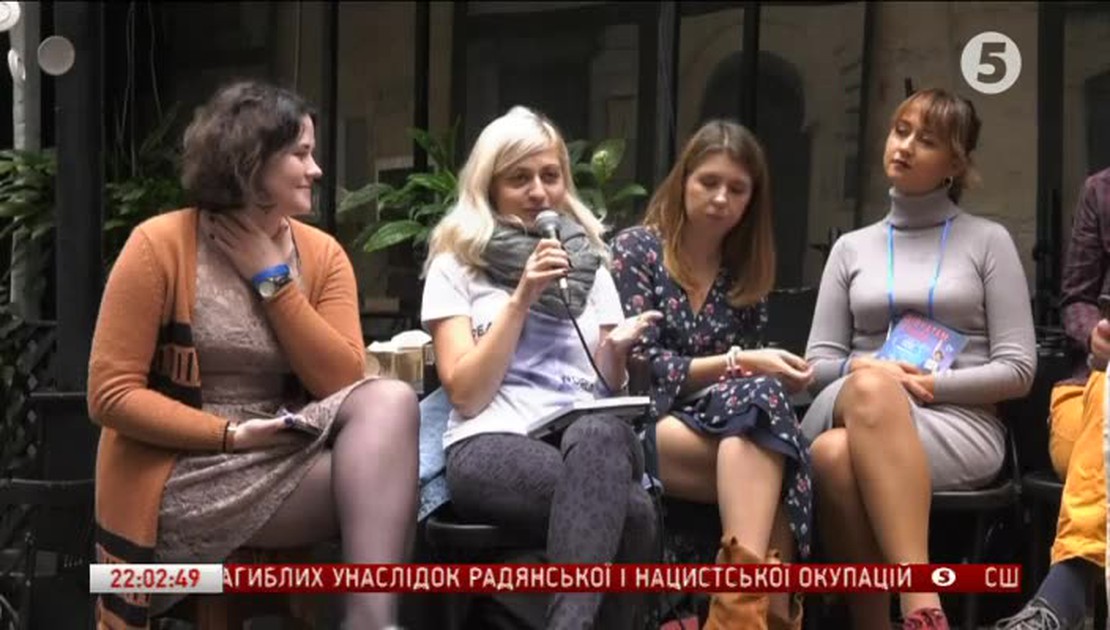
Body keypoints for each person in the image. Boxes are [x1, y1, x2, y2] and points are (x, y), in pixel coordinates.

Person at [87, 80, 419, 630]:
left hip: (283, 456)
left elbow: (343, 381)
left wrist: (274, 281)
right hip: (181, 474)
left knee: (391, 403)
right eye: (301, 154)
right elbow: (110, 396)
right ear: (251, 161)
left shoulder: (323, 255)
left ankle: (369, 622)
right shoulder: (159, 245)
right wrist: (229, 435)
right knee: (385, 493)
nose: (316, 170)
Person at [801, 88, 1037, 630]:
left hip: (956, 422)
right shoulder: (850, 248)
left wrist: (929, 384)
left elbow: (1019, 370)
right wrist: (866, 370)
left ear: (955, 164)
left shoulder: (989, 241)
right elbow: (816, 365)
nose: (904, 146)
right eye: (900, 131)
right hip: (854, 401)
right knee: (868, 391)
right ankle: (922, 605)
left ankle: (887, 616)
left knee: (835, 456)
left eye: (926, 140)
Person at [420, 105, 659, 629]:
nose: (539, 192)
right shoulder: (457, 264)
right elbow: (466, 393)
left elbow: (604, 387)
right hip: (493, 438)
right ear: (489, 187)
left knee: (600, 434)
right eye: (519, 179)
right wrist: (522, 297)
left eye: (550, 176)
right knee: (632, 512)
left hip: (585, 438)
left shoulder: (590, 265)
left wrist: (616, 352)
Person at [611, 119, 813, 630]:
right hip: (647, 422)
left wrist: (765, 372)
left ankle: (739, 610)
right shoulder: (638, 250)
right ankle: (765, 614)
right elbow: (640, 365)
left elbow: (745, 392)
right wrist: (742, 362)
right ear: (684, 181)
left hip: (726, 429)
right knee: (778, 447)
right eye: (709, 182)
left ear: (752, 200)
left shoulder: (743, 272)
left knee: (764, 431)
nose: (721, 198)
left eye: (737, 189)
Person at [996, 167, 1110, 629]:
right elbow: (1077, 299)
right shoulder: (1101, 190)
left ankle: (1063, 594)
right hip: (1085, 403)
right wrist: (1096, 336)